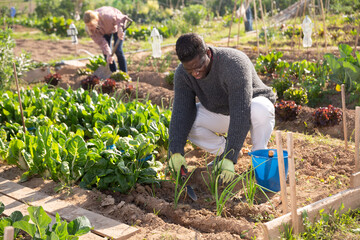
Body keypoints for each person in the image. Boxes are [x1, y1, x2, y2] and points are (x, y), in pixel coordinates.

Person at [168, 33, 276, 184]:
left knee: (259, 109)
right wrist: (175, 151)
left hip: (251, 108)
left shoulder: (233, 63)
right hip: (224, 113)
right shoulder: (183, 74)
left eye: (198, 67)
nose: (195, 73)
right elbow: (181, 112)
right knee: (188, 122)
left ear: (207, 52)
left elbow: (241, 110)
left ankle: (259, 158)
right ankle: (224, 151)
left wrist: (230, 158)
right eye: (190, 70)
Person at [83, 6, 129, 72]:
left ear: (96, 20)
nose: (90, 28)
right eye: (88, 25)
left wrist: (120, 29)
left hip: (117, 26)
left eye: (91, 25)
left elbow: (121, 18)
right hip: (104, 31)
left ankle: (124, 73)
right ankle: (114, 73)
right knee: (107, 54)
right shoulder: (90, 30)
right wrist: (108, 53)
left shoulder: (107, 16)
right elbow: (102, 42)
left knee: (118, 50)